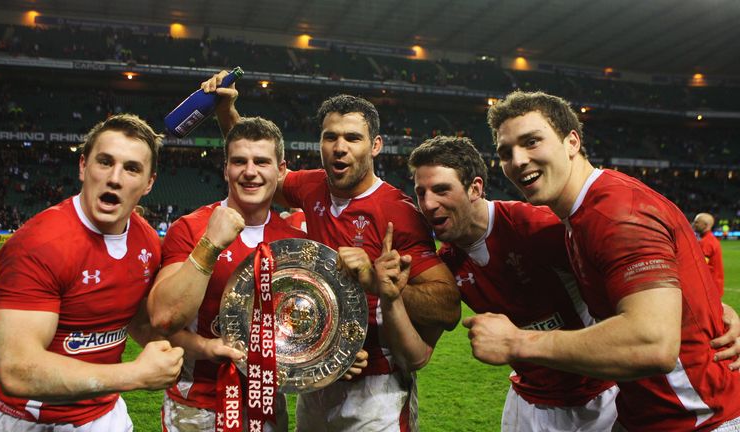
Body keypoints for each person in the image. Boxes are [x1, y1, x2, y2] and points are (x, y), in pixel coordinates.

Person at [469, 90, 740, 431]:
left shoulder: (616, 214)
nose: (518, 160)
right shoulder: (581, 216)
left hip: (698, 419)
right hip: (648, 414)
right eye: (506, 152)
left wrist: (517, 342)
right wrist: (719, 312)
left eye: (532, 141)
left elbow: (653, 342)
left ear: (571, 141)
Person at [205, 76, 460, 430]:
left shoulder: (398, 211)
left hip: (375, 390)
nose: (340, 147)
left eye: (353, 138)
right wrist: (225, 111)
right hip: (315, 380)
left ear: (375, 146)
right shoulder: (311, 186)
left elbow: (448, 306)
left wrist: (380, 282)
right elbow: (256, 165)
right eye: (331, 137)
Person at [0, 114, 184, 431]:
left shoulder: (146, 240)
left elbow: (139, 320)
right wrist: (135, 374)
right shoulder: (37, 244)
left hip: (103, 413)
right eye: (105, 162)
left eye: (131, 168)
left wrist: (201, 348)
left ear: (149, 183)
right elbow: (17, 369)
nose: (115, 178)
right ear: (83, 167)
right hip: (30, 419)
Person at [408, 135, 618, 431]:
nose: (429, 204)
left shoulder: (538, 228)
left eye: (442, 190)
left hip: (599, 401)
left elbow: (634, 288)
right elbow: (419, 354)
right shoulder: (447, 264)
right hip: (527, 405)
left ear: (475, 188)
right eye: (421, 192)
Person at [147, 117, 317, 431]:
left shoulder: (295, 244)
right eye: (239, 161)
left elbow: (302, 324)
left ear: (280, 170)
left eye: (261, 162)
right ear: (226, 168)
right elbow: (163, 318)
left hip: (266, 405)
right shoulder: (191, 228)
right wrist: (204, 348)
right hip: (197, 405)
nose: (250, 171)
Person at [693, 212, 724, 297]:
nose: (693, 224)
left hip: (709, 286)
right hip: (713, 284)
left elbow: (700, 264)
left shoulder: (706, 242)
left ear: (705, 225)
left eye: (697, 222)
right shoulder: (710, 239)